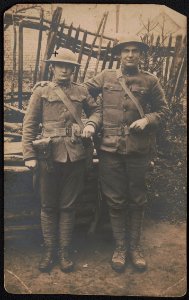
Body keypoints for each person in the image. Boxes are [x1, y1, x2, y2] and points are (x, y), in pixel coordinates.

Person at [84, 36, 169, 272]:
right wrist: (48, 85)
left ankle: (135, 248)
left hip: (139, 150)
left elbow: (164, 110)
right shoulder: (105, 77)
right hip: (110, 149)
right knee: (116, 199)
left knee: (137, 199)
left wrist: (147, 119)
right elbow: (80, 91)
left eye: (135, 51)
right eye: (126, 51)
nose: (130, 55)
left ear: (141, 56)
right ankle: (120, 248)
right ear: (119, 55)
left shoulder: (150, 81)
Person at [22, 48, 101, 273]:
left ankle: (64, 252)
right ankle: (49, 251)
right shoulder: (42, 91)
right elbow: (29, 124)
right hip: (48, 156)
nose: (65, 70)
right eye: (61, 65)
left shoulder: (81, 90)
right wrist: (29, 155)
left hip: (76, 155)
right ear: (53, 67)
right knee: (48, 206)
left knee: (68, 206)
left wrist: (90, 124)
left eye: (69, 66)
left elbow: (97, 111)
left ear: (74, 70)